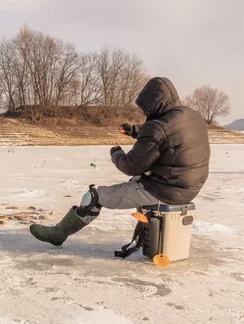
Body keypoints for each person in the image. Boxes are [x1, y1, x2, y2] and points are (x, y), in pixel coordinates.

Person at [29, 77, 211, 247]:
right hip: (189, 187)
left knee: (93, 197)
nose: (145, 111)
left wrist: (116, 153)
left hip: (165, 190)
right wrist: (135, 130)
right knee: (137, 181)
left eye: (146, 108)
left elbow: (131, 165)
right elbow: (166, 136)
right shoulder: (192, 116)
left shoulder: (159, 128)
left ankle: (59, 234)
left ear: (154, 104)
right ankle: (146, 235)